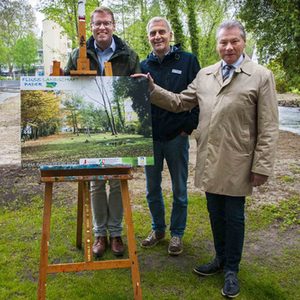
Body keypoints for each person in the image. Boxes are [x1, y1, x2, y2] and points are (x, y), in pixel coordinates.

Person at [134, 20, 279, 298]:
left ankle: (232, 270)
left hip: (239, 159)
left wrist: (262, 165)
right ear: (217, 45)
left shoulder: (261, 76)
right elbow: (179, 102)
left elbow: (269, 126)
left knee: (233, 216)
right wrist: (152, 90)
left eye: (234, 41)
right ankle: (220, 259)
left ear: (243, 42)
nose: (228, 47)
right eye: (223, 42)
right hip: (211, 156)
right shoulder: (205, 75)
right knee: (214, 212)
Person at [65, 6, 140, 258]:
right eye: (97, 24)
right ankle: (99, 234)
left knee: (117, 181)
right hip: (92, 120)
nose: (101, 28)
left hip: (117, 123)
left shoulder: (128, 55)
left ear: (114, 25)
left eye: (106, 23)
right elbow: (67, 86)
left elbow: (135, 93)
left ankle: (116, 233)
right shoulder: (78, 54)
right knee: (96, 182)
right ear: (91, 27)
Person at [140, 17, 200, 256]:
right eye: (153, 33)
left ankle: (177, 234)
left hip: (177, 137)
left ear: (170, 34)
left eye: (161, 32)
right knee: (151, 189)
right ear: (149, 38)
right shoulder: (144, 66)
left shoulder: (187, 61)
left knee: (179, 189)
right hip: (151, 139)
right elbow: (137, 102)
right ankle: (158, 230)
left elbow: (198, 97)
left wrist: (189, 126)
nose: (157, 36)